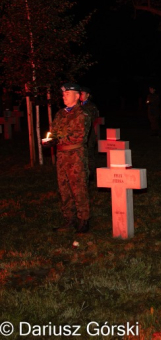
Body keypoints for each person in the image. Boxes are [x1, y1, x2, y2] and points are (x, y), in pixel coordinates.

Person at [43, 83, 92, 233]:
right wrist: (50, 140)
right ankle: (69, 219)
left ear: (77, 96)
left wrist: (58, 140)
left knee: (78, 188)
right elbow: (54, 132)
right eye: (63, 94)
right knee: (64, 188)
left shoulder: (82, 114)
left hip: (75, 156)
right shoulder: (60, 114)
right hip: (62, 157)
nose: (64, 96)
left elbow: (79, 137)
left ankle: (83, 220)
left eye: (68, 94)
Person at [79, 86, 100, 185]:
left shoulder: (91, 106)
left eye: (83, 93)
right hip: (80, 136)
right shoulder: (78, 105)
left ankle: (91, 175)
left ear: (88, 95)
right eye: (80, 93)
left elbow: (91, 119)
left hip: (89, 135)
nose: (81, 95)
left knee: (89, 155)